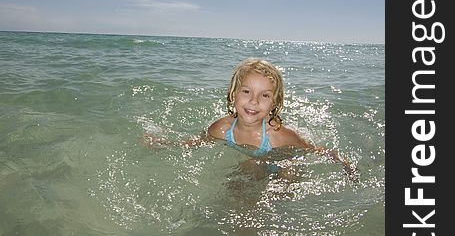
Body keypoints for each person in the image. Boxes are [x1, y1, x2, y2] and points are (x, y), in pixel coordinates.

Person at [144, 57, 356, 178]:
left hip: (282, 163)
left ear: (274, 103)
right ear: (233, 94)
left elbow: (312, 149)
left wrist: (343, 163)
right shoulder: (221, 128)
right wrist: (165, 144)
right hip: (254, 164)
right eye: (246, 92)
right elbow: (196, 143)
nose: (254, 101)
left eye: (264, 96)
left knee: (287, 175)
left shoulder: (278, 135)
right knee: (243, 173)